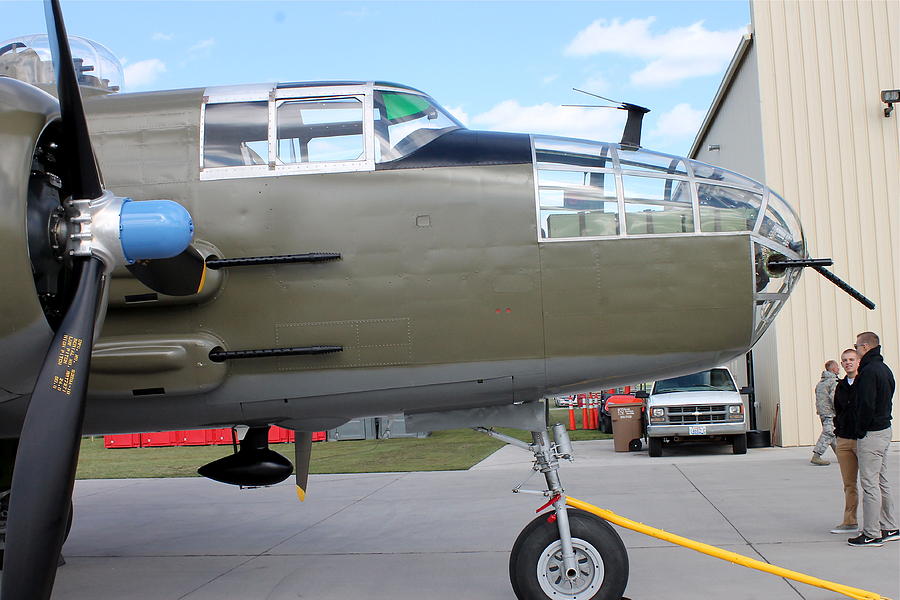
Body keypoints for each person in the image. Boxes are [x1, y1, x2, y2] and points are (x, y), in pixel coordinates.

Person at [848, 331, 897, 547]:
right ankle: (890, 526)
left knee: (869, 483)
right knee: (881, 481)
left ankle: (871, 533)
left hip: (872, 434)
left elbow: (866, 404)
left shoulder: (868, 372)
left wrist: (860, 429)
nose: (856, 350)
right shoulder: (885, 369)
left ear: (866, 347)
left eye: (857, 346)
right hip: (885, 430)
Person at [830, 348, 860, 534]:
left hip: (862, 439)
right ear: (841, 364)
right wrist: (838, 430)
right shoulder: (840, 385)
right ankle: (850, 521)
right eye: (844, 360)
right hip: (843, 439)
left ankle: (881, 523)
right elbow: (837, 409)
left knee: (871, 483)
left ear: (858, 362)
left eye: (851, 359)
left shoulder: (864, 382)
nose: (848, 362)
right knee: (849, 484)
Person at [811, 360, 840, 465]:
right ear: (833, 369)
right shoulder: (833, 382)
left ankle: (841, 456)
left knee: (833, 435)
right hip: (830, 412)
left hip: (822, 412)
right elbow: (834, 398)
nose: (839, 369)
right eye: (837, 367)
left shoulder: (821, 383)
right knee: (829, 433)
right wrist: (839, 410)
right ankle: (817, 455)